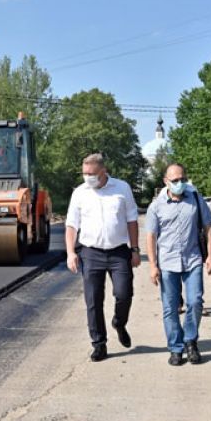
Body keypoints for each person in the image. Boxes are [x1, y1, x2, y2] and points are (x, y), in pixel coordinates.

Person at [66, 153, 141, 362]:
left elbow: (132, 220)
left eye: (92, 173)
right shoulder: (80, 193)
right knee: (93, 300)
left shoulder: (121, 188)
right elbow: (71, 225)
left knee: (124, 293)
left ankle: (119, 322)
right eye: (84, 173)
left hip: (118, 251)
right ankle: (99, 344)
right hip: (90, 253)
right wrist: (71, 253)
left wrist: (135, 249)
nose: (87, 177)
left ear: (103, 171)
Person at [145, 163, 211, 366]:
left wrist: (210, 255)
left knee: (195, 302)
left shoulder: (194, 198)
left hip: (192, 259)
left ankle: (190, 341)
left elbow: (208, 226)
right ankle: (175, 348)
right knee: (170, 307)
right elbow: (150, 236)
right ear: (166, 181)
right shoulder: (156, 206)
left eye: (182, 179)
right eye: (175, 180)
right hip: (167, 262)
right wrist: (152, 265)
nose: (180, 183)